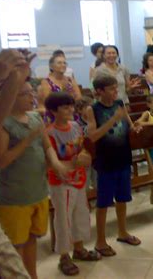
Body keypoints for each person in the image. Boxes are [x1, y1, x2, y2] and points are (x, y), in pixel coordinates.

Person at [0, 81, 67, 279]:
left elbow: (47, 146)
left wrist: (57, 164)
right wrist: (27, 140)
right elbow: (1, 161)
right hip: (15, 197)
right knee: (15, 244)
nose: (31, 96)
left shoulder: (36, 117)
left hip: (38, 191)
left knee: (32, 238)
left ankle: (32, 275)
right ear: (10, 96)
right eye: (24, 94)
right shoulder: (3, 123)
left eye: (31, 92)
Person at [85, 75, 142, 257]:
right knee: (103, 203)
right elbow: (93, 136)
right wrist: (112, 120)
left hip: (123, 158)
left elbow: (129, 125)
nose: (115, 91)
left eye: (116, 88)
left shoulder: (119, 104)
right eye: (111, 88)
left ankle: (122, 232)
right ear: (99, 91)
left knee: (123, 198)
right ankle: (100, 241)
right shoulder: (92, 109)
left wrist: (136, 127)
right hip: (106, 162)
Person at [45, 92, 101, 276]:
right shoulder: (50, 132)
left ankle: (79, 248)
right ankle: (64, 256)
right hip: (61, 182)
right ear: (54, 110)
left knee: (80, 214)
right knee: (63, 218)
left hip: (79, 178)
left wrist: (85, 154)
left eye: (71, 106)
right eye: (65, 107)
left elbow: (82, 146)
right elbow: (50, 160)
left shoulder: (76, 125)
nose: (70, 110)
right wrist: (71, 164)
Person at [38, 54, 82, 122]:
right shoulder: (46, 82)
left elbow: (79, 98)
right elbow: (49, 102)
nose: (63, 65)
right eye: (59, 63)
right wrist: (68, 95)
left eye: (64, 63)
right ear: (51, 66)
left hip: (71, 114)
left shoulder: (70, 80)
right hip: (54, 116)